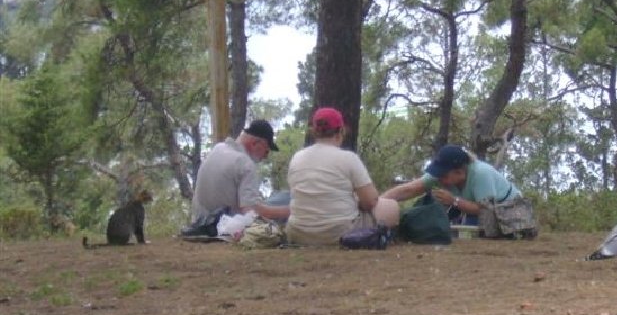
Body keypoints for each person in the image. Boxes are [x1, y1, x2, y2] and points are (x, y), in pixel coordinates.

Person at [285, 107, 399, 246]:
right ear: (340, 131)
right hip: (340, 233)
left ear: (314, 132)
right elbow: (371, 201)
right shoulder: (348, 158)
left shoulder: (296, 158)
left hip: (298, 233)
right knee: (391, 206)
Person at [382, 144, 522, 225]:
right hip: (475, 211)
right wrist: (379, 203)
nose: (440, 179)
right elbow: (410, 189)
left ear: (460, 172)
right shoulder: (443, 175)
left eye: (444, 176)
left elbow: (485, 210)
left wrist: (453, 201)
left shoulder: (481, 174)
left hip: (509, 212)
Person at [190, 119, 290, 223]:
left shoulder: (218, 148)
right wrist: (290, 211)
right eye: (266, 151)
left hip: (199, 224)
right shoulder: (245, 163)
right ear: (255, 143)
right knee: (286, 198)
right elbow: (251, 211)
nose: (265, 157)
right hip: (223, 229)